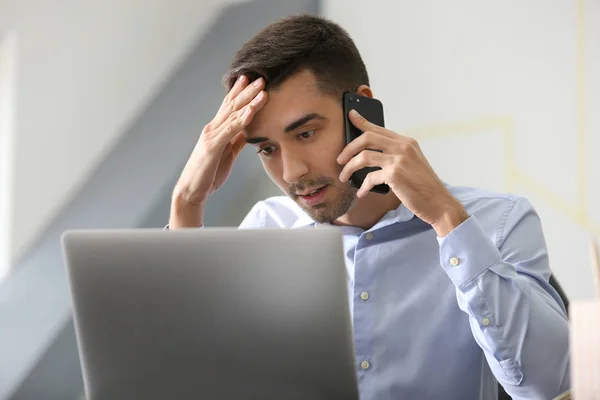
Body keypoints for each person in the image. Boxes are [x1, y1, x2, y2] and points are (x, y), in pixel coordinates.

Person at [168, 14, 570, 399]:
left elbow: (545, 385)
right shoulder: (265, 230)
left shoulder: (498, 223)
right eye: (268, 149)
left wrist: (448, 220)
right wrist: (187, 202)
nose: (291, 172)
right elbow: (187, 373)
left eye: (306, 133)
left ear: (359, 109)